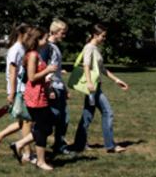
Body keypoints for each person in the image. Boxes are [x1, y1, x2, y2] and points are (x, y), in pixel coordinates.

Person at [71, 23, 129, 154]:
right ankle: (110, 145)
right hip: (93, 87)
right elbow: (86, 65)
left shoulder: (96, 48)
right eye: (103, 36)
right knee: (108, 112)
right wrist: (89, 83)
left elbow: (102, 69)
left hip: (95, 86)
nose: (104, 38)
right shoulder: (89, 47)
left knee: (87, 115)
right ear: (95, 35)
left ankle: (79, 144)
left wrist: (117, 80)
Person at [11, 26, 58, 171]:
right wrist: (48, 70)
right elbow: (31, 77)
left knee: (47, 126)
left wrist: (47, 82)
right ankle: (40, 161)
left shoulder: (36, 54)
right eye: (45, 38)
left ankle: (19, 144)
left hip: (40, 94)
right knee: (43, 128)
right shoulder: (32, 55)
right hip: (35, 96)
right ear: (37, 40)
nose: (47, 41)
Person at [0, 23, 32, 159]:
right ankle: (27, 154)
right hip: (18, 90)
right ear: (21, 34)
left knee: (24, 122)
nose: (31, 37)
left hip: (22, 88)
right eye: (28, 34)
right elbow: (12, 73)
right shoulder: (16, 50)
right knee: (27, 121)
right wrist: (12, 93)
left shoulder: (23, 48)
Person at [43, 19, 72, 156]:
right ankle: (30, 143)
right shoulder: (47, 48)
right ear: (54, 32)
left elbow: (55, 70)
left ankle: (59, 146)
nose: (64, 36)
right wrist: (49, 89)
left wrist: (64, 88)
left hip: (58, 86)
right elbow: (45, 70)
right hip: (52, 87)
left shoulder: (55, 47)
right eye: (62, 33)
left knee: (64, 118)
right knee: (51, 119)